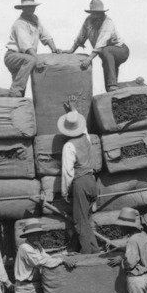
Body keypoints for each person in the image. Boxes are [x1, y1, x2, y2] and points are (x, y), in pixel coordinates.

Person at [59, 108, 99, 256]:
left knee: (79, 222)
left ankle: (87, 254)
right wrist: (74, 111)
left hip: (81, 183)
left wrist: (64, 192)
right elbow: (86, 129)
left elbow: (67, 172)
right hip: (92, 182)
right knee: (86, 221)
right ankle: (95, 250)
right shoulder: (86, 139)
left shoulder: (68, 146)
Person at [3, 0, 60, 96]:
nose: (31, 9)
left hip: (23, 57)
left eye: (32, 7)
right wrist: (36, 60)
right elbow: (26, 46)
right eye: (28, 7)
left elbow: (45, 35)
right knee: (32, 60)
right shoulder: (19, 24)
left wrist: (54, 49)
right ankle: (15, 92)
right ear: (23, 8)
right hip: (12, 56)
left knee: (19, 94)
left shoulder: (35, 20)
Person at [66, 0, 129, 92]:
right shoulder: (88, 21)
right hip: (106, 53)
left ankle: (112, 84)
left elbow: (101, 42)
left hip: (121, 51)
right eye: (94, 13)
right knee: (105, 61)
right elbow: (81, 36)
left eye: (98, 13)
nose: (96, 15)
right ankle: (111, 89)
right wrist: (71, 50)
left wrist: (89, 59)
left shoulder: (108, 22)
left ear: (102, 13)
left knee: (106, 51)